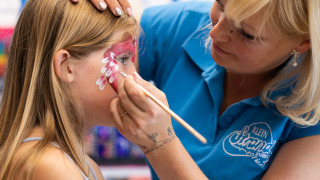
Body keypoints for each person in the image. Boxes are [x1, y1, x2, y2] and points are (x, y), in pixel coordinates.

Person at [84, 0, 320, 179]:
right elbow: (85, 59)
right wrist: (78, 14)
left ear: (303, 41)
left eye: (246, 33)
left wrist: (161, 144)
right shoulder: (184, 24)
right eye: (220, 4)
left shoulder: (312, 114)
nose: (214, 32)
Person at [0, 0, 208, 179]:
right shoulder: (52, 166)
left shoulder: (81, 164)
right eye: (122, 59)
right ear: (66, 66)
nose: (135, 78)